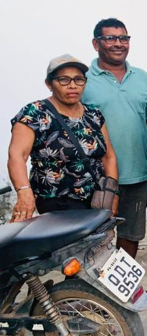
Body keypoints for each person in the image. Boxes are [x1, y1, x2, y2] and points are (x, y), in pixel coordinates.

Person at [8, 55, 119, 221]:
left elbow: (108, 156)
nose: (73, 85)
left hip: (97, 199)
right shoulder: (35, 113)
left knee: (96, 246)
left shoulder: (93, 114)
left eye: (78, 79)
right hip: (57, 202)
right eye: (64, 80)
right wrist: (23, 191)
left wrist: (112, 193)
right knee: (69, 247)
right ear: (49, 84)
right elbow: (17, 155)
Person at [82, 18, 147, 258]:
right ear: (96, 43)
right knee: (94, 239)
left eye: (123, 38)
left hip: (137, 174)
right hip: (96, 177)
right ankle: (91, 292)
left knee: (130, 235)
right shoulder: (83, 80)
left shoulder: (141, 77)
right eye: (110, 38)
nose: (118, 43)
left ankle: (121, 291)